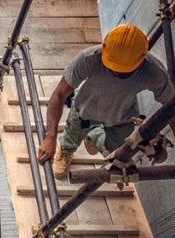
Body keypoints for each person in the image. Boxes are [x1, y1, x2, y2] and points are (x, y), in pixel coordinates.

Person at [38, 23, 175, 179]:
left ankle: (93, 136)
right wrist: (50, 137)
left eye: (124, 69)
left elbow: (171, 108)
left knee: (117, 152)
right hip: (85, 111)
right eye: (113, 66)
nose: (116, 71)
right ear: (104, 47)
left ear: (142, 57)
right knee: (72, 136)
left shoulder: (153, 73)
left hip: (121, 118)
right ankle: (66, 150)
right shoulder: (88, 59)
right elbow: (59, 94)